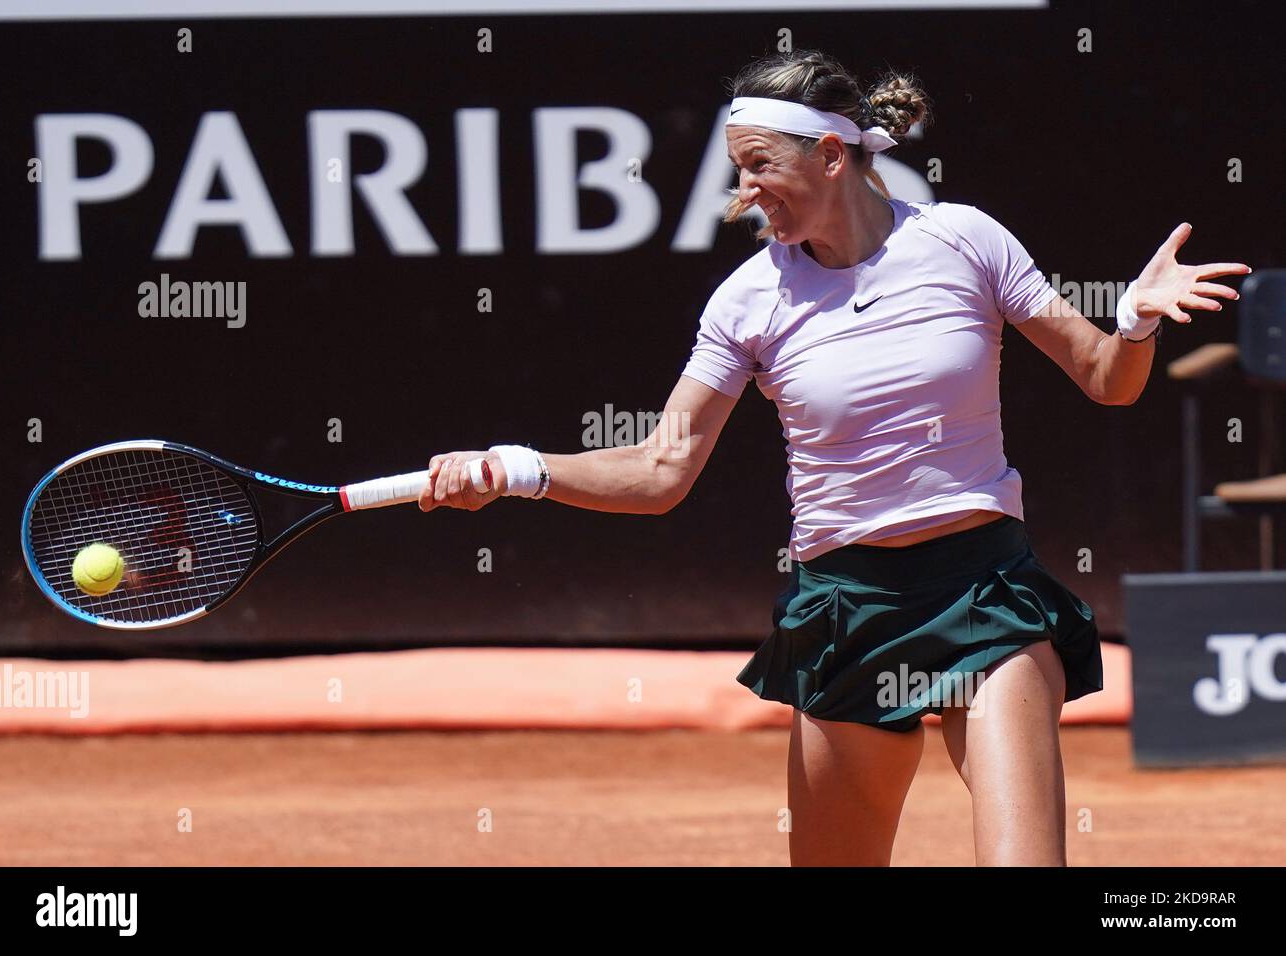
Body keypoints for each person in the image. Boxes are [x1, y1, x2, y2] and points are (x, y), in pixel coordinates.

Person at [418, 50, 1251, 866]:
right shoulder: (746, 300)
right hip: (845, 613)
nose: (742, 193)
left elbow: (1106, 379)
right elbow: (659, 472)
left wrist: (1135, 322)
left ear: (827, 153)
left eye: (756, 166)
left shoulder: (964, 239)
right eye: (736, 170)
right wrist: (517, 470)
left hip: (985, 598)